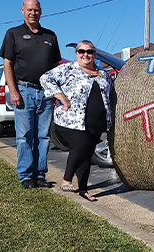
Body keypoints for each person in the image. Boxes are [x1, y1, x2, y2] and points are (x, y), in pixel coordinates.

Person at [0, 0, 61, 189]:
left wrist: (56, 92)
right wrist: (13, 91)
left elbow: (55, 66)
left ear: (41, 11)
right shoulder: (13, 34)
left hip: (45, 93)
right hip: (24, 90)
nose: (33, 13)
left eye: (36, 10)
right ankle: (25, 176)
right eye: (29, 10)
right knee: (25, 135)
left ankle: (39, 174)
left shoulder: (50, 36)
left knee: (43, 136)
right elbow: (7, 64)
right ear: (22, 10)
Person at [40, 40, 112, 202]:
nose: (85, 55)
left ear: (94, 54)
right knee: (81, 146)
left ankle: (83, 190)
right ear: (76, 53)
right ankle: (66, 180)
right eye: (81, 51)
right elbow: (45, 78)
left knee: (86, 154)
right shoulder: (68, 69)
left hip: (96, 123)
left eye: (89, 52)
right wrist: (61, 97)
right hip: (71, 120)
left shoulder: (102, 73)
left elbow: (109, 94)